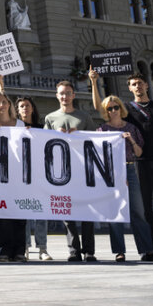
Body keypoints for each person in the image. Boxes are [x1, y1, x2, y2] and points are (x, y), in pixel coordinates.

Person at [93, 71, 153, 260]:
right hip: (138, 165)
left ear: (147, 85)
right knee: (143, 211)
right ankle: (149, 250)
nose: (138, 86)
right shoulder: (125, 109)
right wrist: (93, 82)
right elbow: (101, 108)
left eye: (140, 83)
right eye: (134, 84)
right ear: (129, 88)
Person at [94, 91, 153, 262]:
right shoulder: (102, 130)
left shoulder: (131, 128)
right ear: (105, 111)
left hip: (130, 170)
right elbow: (98, 154)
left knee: (138, 211)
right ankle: (119, 251)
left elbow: (139, 152)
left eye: (116, 107)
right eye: (109, 109)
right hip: (112, 173)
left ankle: (147, 250)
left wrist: (131, 141)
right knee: (115, 213)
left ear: (121, 109)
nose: (113, 111)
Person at [44, 79, 99, 262]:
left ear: (73, 95)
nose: (65, 96)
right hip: (61, 172)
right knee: (67, 212)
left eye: (68, 93)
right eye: (61, 93)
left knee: (87, 211)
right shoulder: (50, 118)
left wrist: (80, 135)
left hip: (83, 170)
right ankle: (74, 250)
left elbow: (95, 141)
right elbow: (43, 143)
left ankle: (89, 251)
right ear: (57, 95)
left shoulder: (84, 117)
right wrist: (55, 135)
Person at [0, 75, 26, 262]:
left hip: (19, 175)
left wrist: (2, 85)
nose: (1, 105)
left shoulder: (21, 124)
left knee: (20, 212)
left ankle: (19, 251)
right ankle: (4, 251)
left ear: (9, 104)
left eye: (3, 102)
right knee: (4, 214)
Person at [15, 96, 51, 261]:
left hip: (38, 174)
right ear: (17, 110)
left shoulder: (41, 127)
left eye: (27, 105)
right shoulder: (14, 127)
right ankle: (24, 247)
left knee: (41, 211)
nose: (25, 108)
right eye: (21, 106)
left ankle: (42, 248)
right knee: (23, 211)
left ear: (33, 108)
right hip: (19, 175)